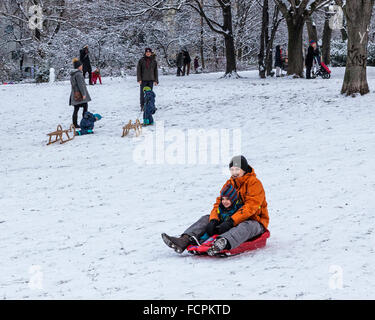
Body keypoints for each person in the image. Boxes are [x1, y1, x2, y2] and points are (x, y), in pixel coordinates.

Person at [161, 155, 269, 256]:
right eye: (232, 169)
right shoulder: (229, 183)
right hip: (230, 218)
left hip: (255, 221)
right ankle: (184, 240)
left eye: (237, 169)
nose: (234, 172)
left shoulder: (254, 183)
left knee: (246, 226)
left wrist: (231, 221)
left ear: (244, 169)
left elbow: (251, 207)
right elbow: (218, 203)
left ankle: (222, 243)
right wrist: (214, 220)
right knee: (206, 218)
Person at [69, 58, 92, 128]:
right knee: (85, 107)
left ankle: (75, 124)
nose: (82, 67)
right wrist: (84, 94)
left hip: (75, 94)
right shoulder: (78, 74)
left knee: (76, 109)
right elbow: (81, 85)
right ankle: (84, 122)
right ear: (78, 66)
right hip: (80, 95)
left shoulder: (73, 74)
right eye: (81, 65)